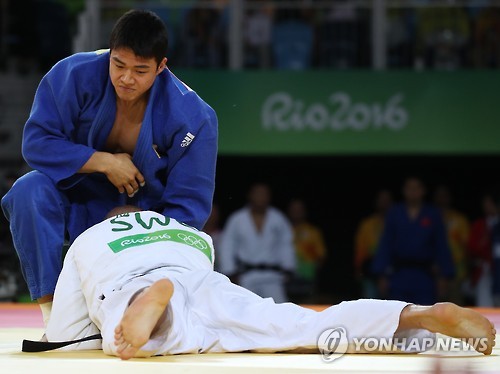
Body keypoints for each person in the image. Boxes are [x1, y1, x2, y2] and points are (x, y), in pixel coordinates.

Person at [44, 206, 496, 361]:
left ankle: (148, 306)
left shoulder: (90, 238)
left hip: (135, 283)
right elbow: (205, 267)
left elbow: (65, 332)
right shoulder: (187, 232)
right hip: (205, 279)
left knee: (134, 339)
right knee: (300, 325)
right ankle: (411, 314)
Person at [0, 9, 218, 327]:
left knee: (162, 279)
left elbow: (190, 209)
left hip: (141, 216)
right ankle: (54, 316)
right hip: (75, 200)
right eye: (119, 65)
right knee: (27, 190)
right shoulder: (73, 75)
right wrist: (105, 162)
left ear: (161, 67)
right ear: (110, 53)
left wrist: (142, 223)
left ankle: (137, 311)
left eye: (140, 70)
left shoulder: (193, 117)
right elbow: (36, 143)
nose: (126, 78)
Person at [371, 176, 456, 305]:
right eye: (409, 188)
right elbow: (385, 245)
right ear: (404, 191)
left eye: (416, 188)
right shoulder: (394, 213)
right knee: (398, 313)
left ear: (423, 191)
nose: (413, 192)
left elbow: (441, 246)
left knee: (425, 313)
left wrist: (444, 276)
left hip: (425, 275)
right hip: (399, 275)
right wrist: (381, 274)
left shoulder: (432, 214)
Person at [217, 182, 296, 303]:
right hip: (246, 275)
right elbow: (227, 245)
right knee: (244, 310)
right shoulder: (237, 219)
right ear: (250, 196)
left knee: (279, 311)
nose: (261, 197)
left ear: (269, 197)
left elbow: (285, 244)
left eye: (264, 194)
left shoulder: (278, 218)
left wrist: (288, 267)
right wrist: (230, 271)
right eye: (257, 194)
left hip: (273, 276)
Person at [433, 184, 470, 305]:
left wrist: (468, 271)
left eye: (444, 196)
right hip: (433, 272)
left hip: (456, 272)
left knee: (456, 305)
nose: (441, 199)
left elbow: (466, 248)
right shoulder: (429, 218)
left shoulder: (459, 219)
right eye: (439, 196)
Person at [354, 188, 393, 299]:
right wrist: (358, 269)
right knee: (369, 301)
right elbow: (360, 249)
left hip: (392, 271)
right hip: (370, 270)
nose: (384, 203)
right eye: (382, 200)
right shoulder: (367, 224)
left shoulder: (398, 222)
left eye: (387, 200)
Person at [286, 197, 326, 303]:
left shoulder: (313, 231)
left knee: (308, 306)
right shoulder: (282, 230)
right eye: (294, 209)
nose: (297, 212)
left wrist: (313, 272)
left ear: (304, 211)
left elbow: (321, 256)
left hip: (307, 276)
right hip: (287, 278)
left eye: (299, 209)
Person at [467, 192, 499, 307]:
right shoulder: (479, 225)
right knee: (485, 306)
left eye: (489, 203)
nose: (486, 206)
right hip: (484, 270)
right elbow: (472, 248)